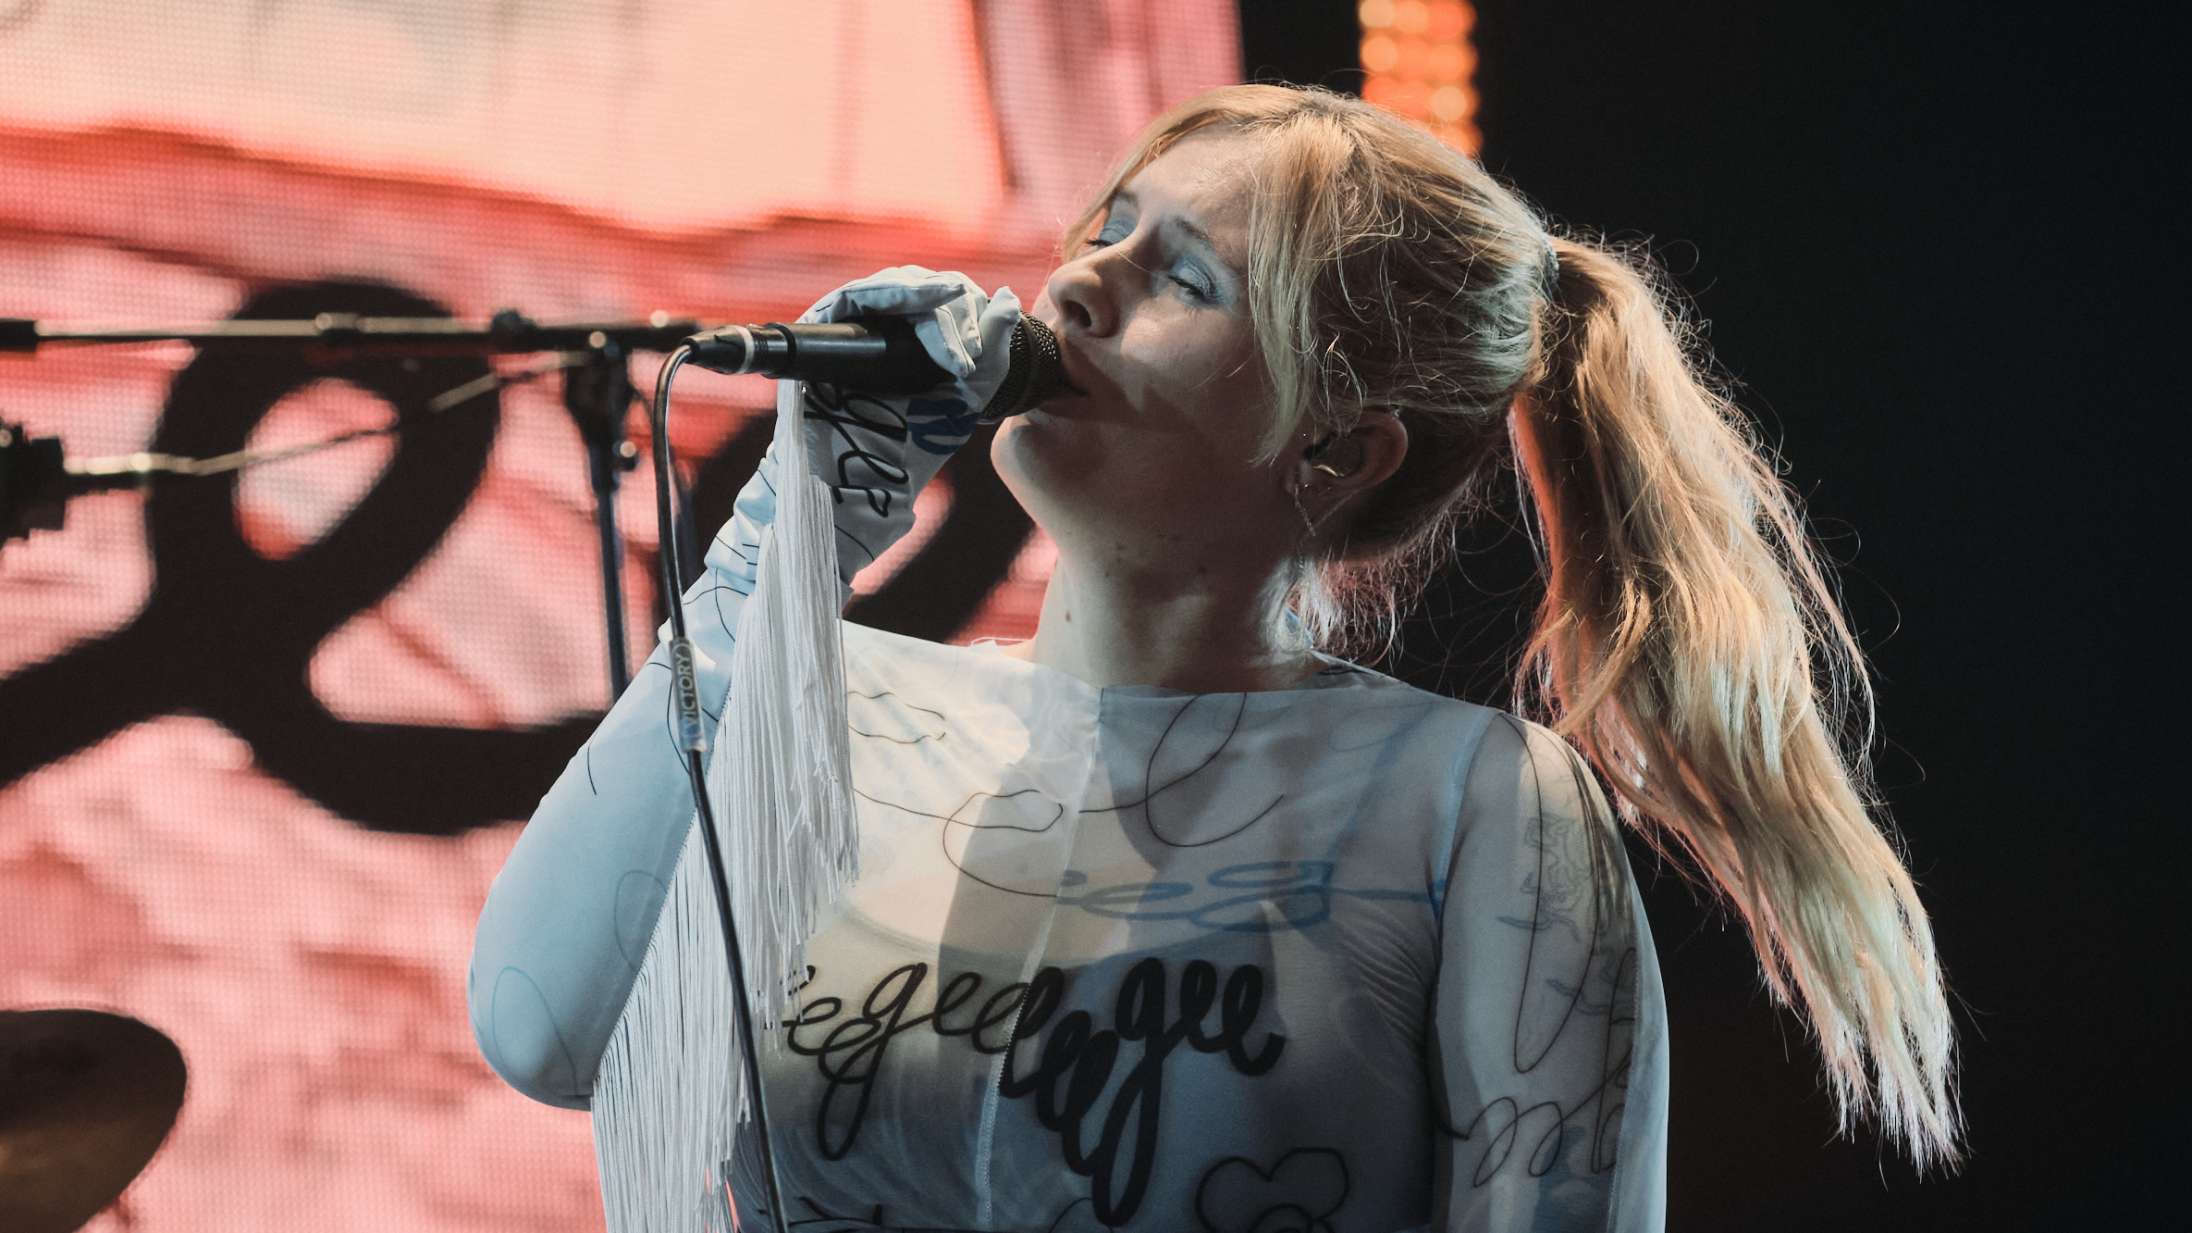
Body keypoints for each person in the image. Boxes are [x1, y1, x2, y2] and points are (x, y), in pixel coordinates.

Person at [469, 84, 1962, 1232]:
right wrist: (781, 546)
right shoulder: (833, 707)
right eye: (1100, 230)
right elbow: (541, 1026)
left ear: (1335, 443)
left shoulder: (1479, 807)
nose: (1075, 288)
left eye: (1184, 278)